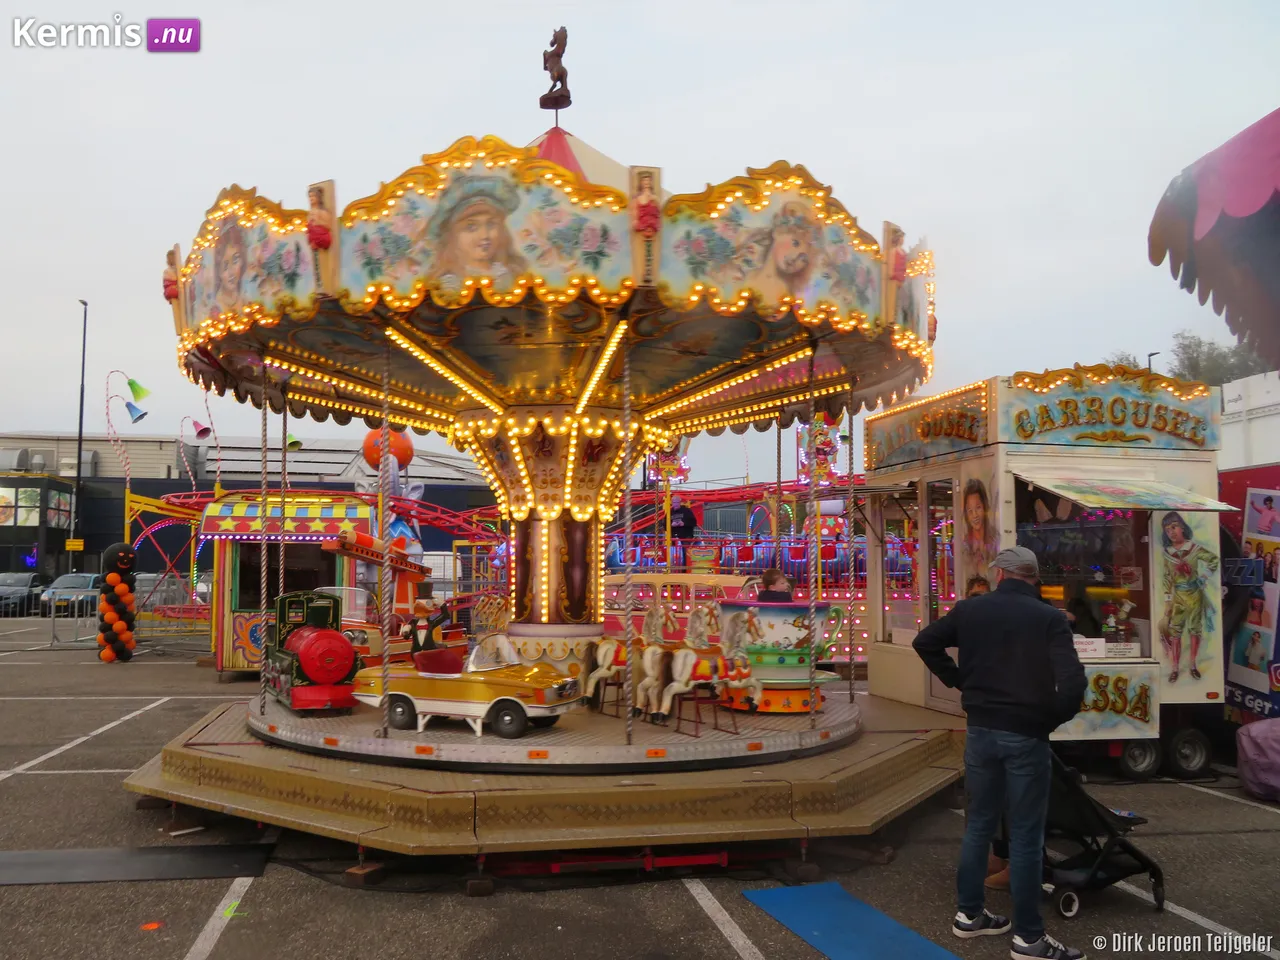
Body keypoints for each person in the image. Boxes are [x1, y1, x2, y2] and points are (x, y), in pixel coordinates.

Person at [913, 546, 1087, 960]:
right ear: (1032, 577)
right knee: (1027, 836)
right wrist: (1049, 720)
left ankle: (969, 915)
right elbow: (1074, 684)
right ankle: (1029, 939)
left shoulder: (971, 611)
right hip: (1025, 734)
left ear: (1001, 574)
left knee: (979, 826)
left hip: (981, 730)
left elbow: (925, 642)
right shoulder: (1049, 618)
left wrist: (960, 683)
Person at [1158, 512, 1220, 684]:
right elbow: (1167, 578)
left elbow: (1213, 560)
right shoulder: (1167, 553)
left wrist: (1204, 577)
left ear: (1182, 527)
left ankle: (1192, 664)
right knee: (1175, 632)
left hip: (1194, 595)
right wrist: (1168, 600)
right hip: (1178, 596)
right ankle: (1175, 668)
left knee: (1195, 630)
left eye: (1174, 527)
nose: (1171, 532)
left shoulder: (1194, 549)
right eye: (1167, 529)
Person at [667, 494, 698, 569]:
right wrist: (671, 525)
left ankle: (686, 569)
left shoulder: (687, 511)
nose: (676, 504)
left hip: (685, 537)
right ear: (672, 503)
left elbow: (694, 522)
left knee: (685, 554)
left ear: (680, 502)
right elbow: (664, 524)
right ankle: (675, 568)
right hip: (674, 538)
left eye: (677, 502)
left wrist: (684, 523)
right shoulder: (669, 512)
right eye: (674, 502)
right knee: (674, 554)